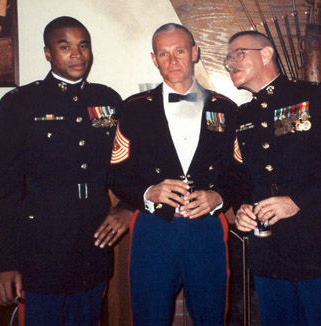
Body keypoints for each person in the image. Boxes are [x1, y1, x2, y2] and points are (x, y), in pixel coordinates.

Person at [0, 16, 131, 325]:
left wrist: (127, 207)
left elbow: (127, 166)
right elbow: (0, 189)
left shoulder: (108, 100)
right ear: (48, 53)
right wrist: (2, 264)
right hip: (40, 249)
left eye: (83, 46)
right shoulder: (20, 103)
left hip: (93, 244)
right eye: (65, 47)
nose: (77, 55)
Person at [225, 30, 321, 326]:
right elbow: (242, 178)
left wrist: (295, 202)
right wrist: (242, 207)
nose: (230, 63)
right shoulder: (242, 116)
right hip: (269, 255)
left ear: (266, 54)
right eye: (228, 58)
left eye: (238, 54)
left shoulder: (317, 97)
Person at [108, 23, 238, 325]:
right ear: (154, 59)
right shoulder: (133, 109)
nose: (173, 60)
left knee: (211, 316)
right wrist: (147, 193)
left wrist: (218, 195)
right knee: (149, 317)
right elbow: (116, 172)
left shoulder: (225, 108)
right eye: (163, 54)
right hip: (153, 227)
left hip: (206, 227)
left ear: (194, 52)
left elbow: (239, 171)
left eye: (180, 51)